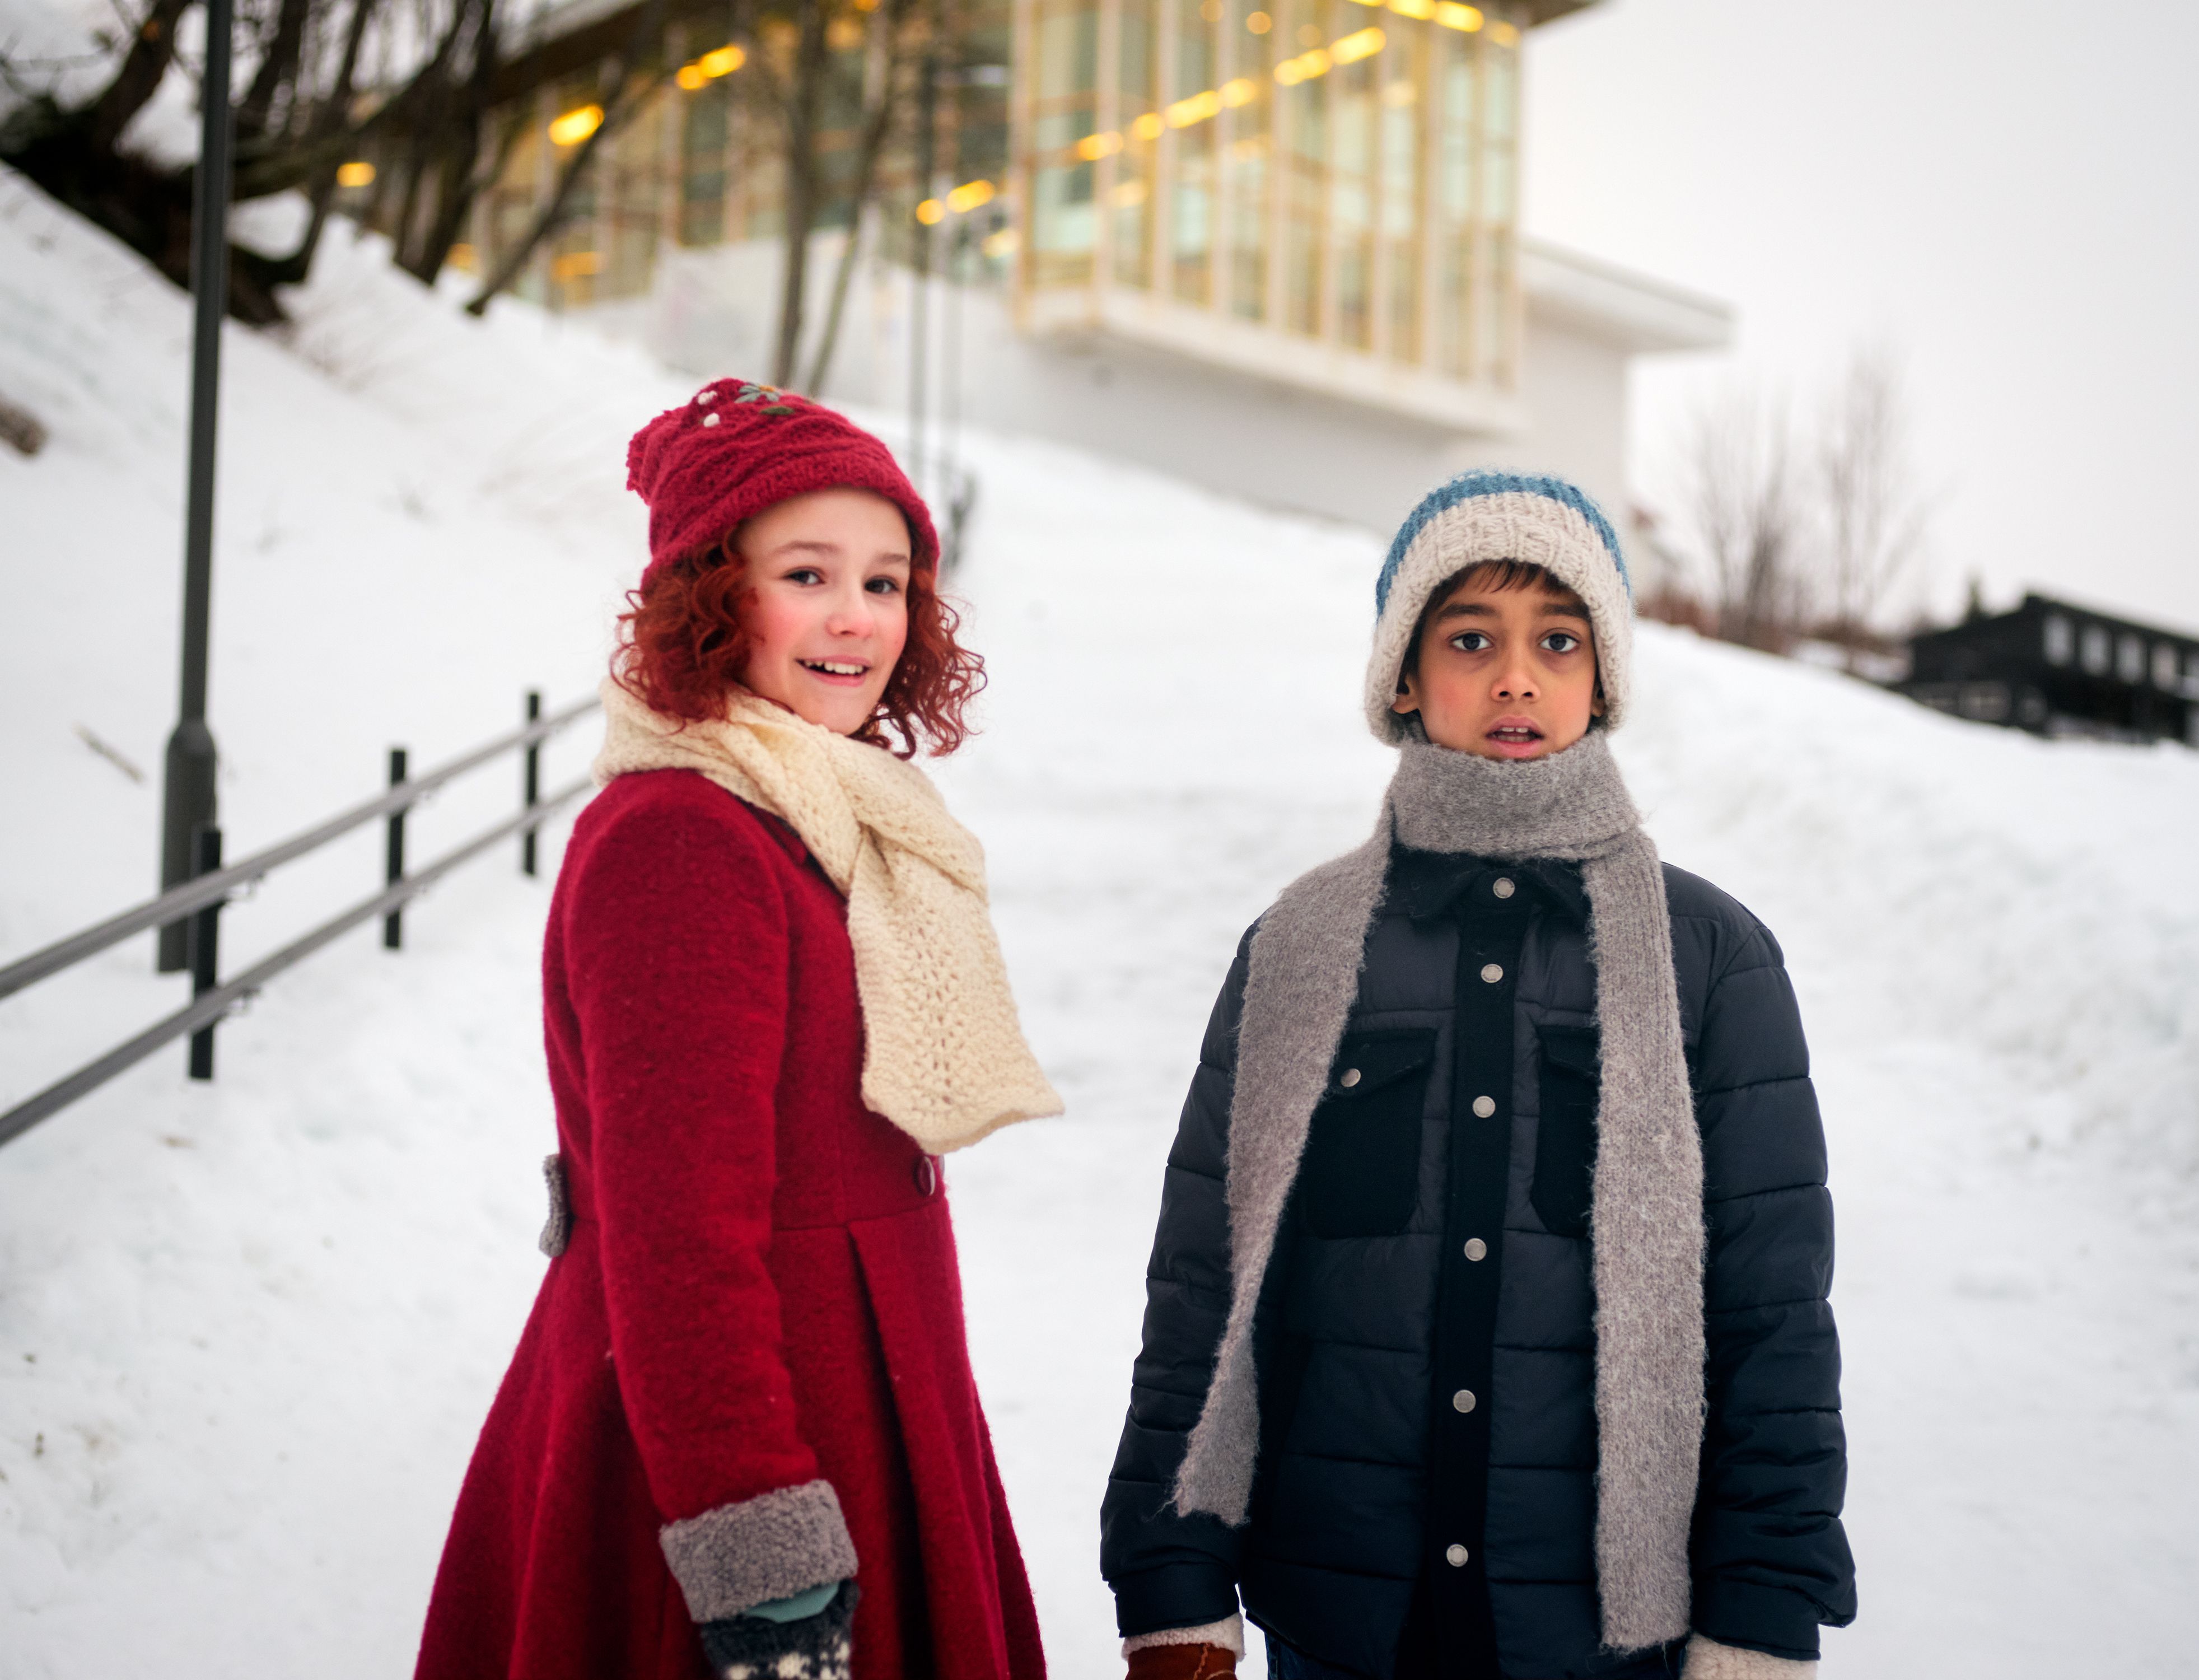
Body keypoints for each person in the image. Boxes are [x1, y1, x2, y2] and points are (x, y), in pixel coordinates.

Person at [1100, 473, 1854, 1680]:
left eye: (1557, 640)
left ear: (1601, 677)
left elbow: (1771, 1317)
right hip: (1339, 1624)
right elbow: (1203, 1284)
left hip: (1604, 1642)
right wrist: (1169, 1577)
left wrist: (1762, 1604)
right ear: (1402, 678)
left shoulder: (1710, 959)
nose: (1516, 677)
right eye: (1469, 639)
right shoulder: (1297, 948)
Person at [415, 379, 1061, 1680]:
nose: (853, 618)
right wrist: (760, 1561)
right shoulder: (683, 839)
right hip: (752, 1445)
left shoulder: (814, 814)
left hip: (860, 1392)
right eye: (807, 573)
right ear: (712, 594)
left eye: (886, 584)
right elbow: (675, 1235)